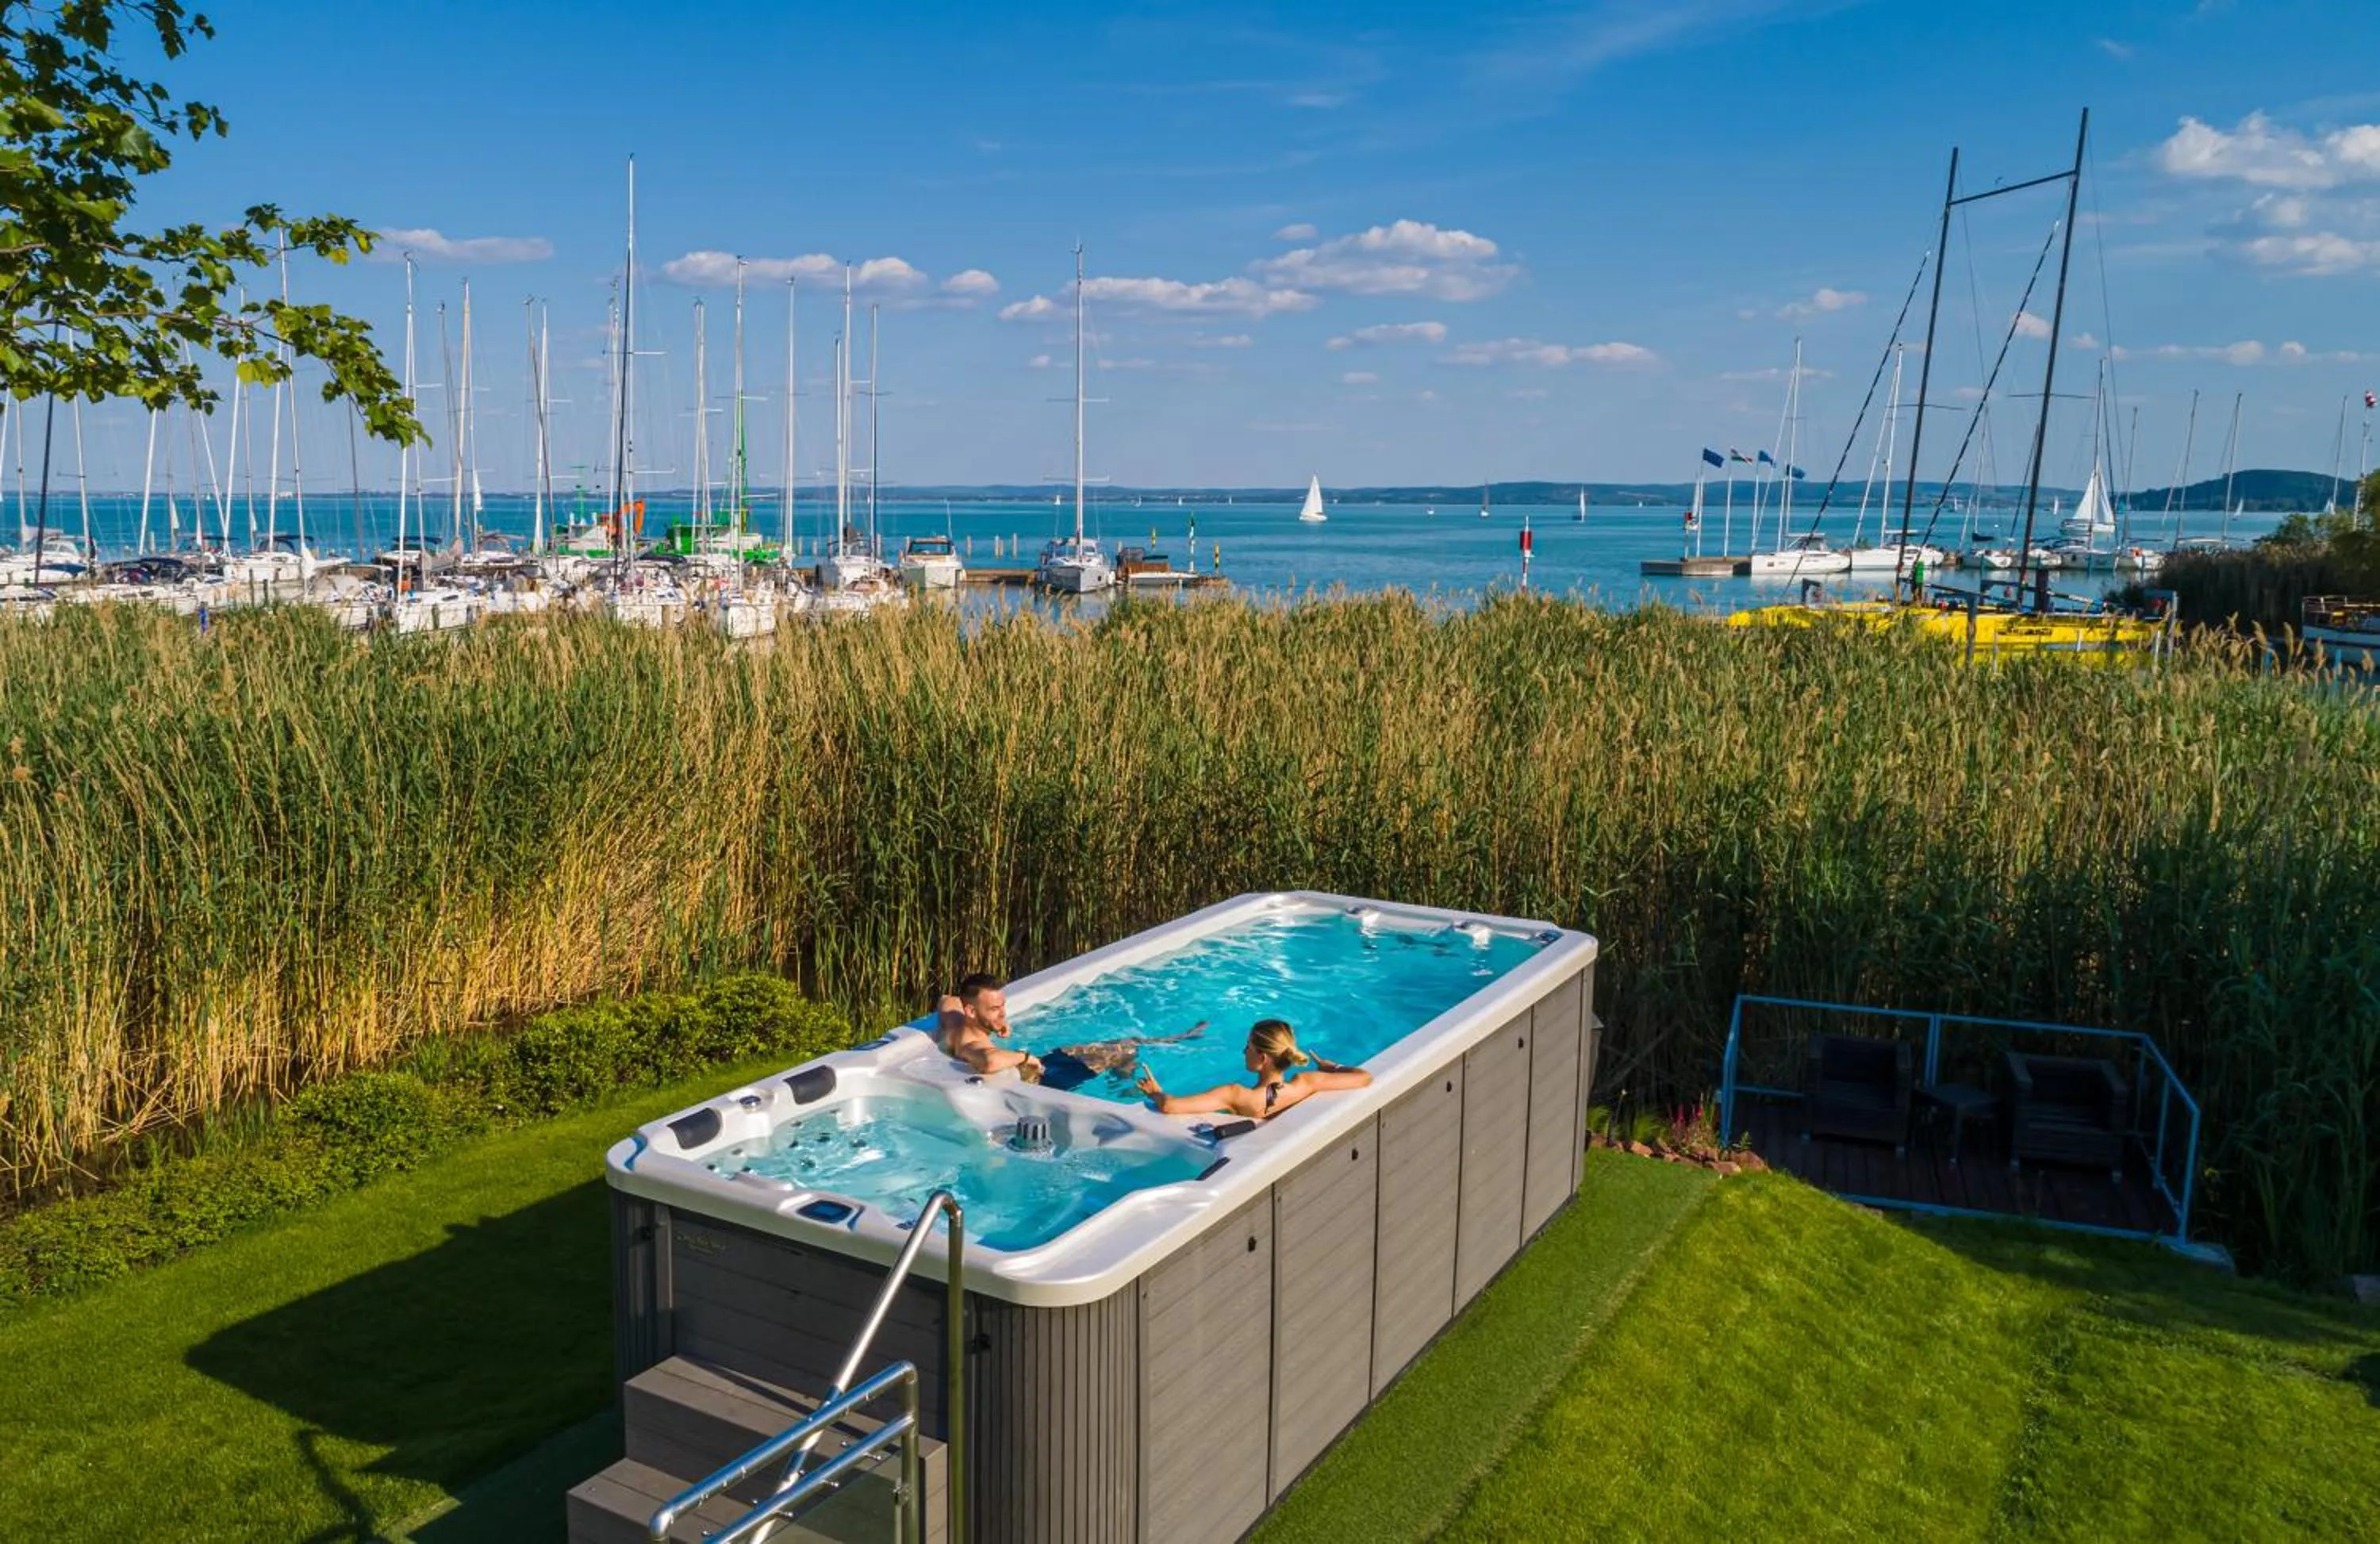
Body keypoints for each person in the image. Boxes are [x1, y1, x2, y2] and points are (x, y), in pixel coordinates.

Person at [1134, 1019, 1368, 1120]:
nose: (1243, 1051)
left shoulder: (1237, 1095)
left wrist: (1155, 1092)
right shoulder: (1307, 1083)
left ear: (1263, 1057)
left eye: (1248, 1047)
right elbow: (1365, 1078)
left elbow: (1170, 1106)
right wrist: (1332, 1066)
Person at [936, 973, 1042, 1081]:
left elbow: (946, 999)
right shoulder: (969, 1044)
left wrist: (996, 1022)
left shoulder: (954, 1021)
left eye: (1002, 1006)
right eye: (994, 1009)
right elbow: (990, 1061)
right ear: (971, 1011)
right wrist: (1025, 1057)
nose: (1003, 1014)